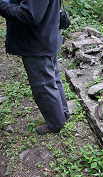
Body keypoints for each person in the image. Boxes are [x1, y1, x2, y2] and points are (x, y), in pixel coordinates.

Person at [0, 0, 70, 135]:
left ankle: (55, 124)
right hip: (46, 37)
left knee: (44, 86)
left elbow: (30, 15)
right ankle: (62, 115)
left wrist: (3, 4)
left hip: (37, 44)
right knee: (52, 81)